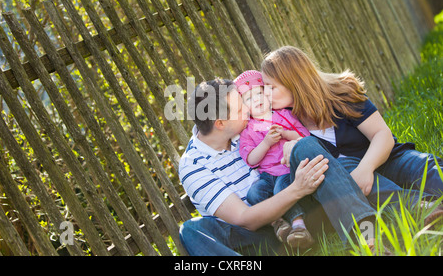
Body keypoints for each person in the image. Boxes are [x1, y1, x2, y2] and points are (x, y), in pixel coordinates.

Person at [178, 78, 377, 256]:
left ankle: (367, 238)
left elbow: (286, 125)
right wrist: (297, 189)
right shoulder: (193, 166)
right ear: (220, 123)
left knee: (321, 154)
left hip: (299, 211)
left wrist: (293, 146)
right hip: (262, 236)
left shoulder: (244, 127)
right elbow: (245, 219)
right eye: (240, 110)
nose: (247, 110)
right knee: (191, 230)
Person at [260, 45, 443, 225]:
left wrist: (366, 168)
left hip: (387, 159)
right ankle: (421, 207)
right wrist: (292, 145)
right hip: (350, 185)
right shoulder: (283, 122)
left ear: (293, 81)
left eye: (271, 87)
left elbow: (382, 134)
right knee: (344, 166)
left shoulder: (342, 91)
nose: (265, 94)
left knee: (425, 168)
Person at [234, 70, 313, 249]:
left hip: (287, 169)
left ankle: (299, 225)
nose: (255, 99)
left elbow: (304, 136)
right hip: (267, 174)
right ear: (244, 107)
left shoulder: (284, 115)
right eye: (248, 98)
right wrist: (266, 143)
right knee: (254, 194)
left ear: (266, 93)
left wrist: (285, 133)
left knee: (281, 190)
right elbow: (251, 159)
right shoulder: (247, 131)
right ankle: (277, 222)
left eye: (258, 93)